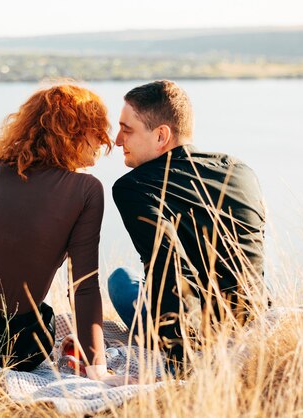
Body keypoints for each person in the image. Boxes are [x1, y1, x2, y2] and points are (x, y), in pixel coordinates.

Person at [0, 84, 113, 381]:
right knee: (42, 316)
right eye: (98, 131)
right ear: (74, 132)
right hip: (17, 349)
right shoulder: (87, 190)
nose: (105, 140)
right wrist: (98, 370)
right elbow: (83, 286)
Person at [108, 80, 266, 369]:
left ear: (161, 136)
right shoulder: (239, 170)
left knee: (120, 280)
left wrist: (179, 361)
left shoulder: (135, 187)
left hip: (198, 336)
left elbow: (168, 269)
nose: (118, 140)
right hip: (252, 317)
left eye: (127, 130)